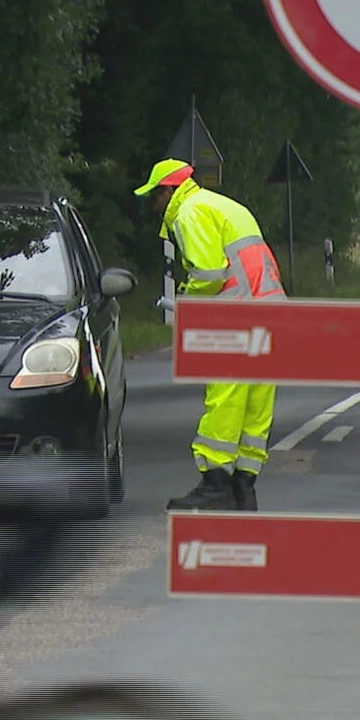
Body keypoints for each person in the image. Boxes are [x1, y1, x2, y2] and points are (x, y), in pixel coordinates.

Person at [135, 159, 285, 511]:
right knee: (255, 403)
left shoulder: (190, 212)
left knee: (226, 396)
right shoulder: (222, 205)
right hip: (271, 312)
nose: (153, 206)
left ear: (169, 191)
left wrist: (186, 302)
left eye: (154, 197)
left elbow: (209, 273)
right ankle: (243, 488)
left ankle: (216, 483)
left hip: (237, 316)